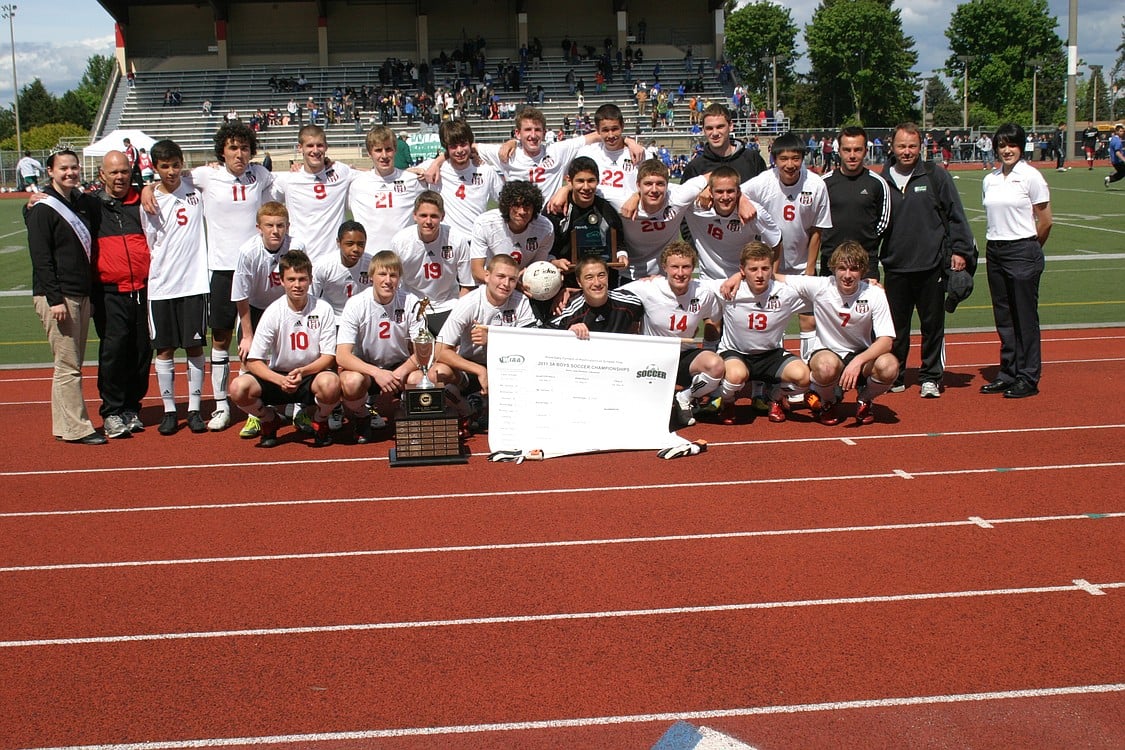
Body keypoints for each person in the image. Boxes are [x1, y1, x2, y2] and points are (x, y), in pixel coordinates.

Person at [183, 121, 276, 432]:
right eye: (233, 148)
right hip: (222, 269)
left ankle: (266, 401)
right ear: (221, 151)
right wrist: (148, 190)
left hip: (258, 267)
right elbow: (171, 179)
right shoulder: (206, 175)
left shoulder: (260, 175)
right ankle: (222, 405)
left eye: (245, 148)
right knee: (221, 337)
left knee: (261, 339)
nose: (240, 153)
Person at [879, 122, 975, 398]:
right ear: (892, 147)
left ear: (920, 147)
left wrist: (960, 251)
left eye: (912, 146)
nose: (906, 151)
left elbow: (956, 215)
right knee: (896, 327)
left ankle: (931, 376)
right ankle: (895, 374)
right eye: (901, 146)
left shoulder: (935, 176)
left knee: (932, 325)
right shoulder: (882, 180)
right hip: (896, 265)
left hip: (932, 265)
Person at [769, 241, 897, 426]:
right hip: (827, 353)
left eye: (853, 269)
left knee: (890, 366)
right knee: (826, 367)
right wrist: (737, 277)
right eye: (842, 268)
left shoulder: (874, 293)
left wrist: (857, 362)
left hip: (860, 355)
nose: (847, 275)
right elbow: (773, 276)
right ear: (833, 269)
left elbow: (886, 341)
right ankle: (828, 403)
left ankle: (865, 399)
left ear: (862, 271)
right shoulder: (821, 286)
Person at [25, 150, 105, 444]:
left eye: (74, 167)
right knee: (69, 365)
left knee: (67, 364)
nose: (70, 172)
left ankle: (64, 425)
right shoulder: (43, 208)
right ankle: (78, 428)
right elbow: (41, 258)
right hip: (58, 297)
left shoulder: (82, 203)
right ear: (50, 171)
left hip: (80, 293)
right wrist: (54, 298)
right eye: (63, 168)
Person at [336, 251, 452, 443]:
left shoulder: (411, 302)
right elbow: (342, 356)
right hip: (367, 367)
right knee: (350, 382)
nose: (388, 280)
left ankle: (408, 412)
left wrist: (399, 372)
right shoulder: (356, 304)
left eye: (393, 275)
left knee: (418, 378)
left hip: (399, 366)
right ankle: (363, 413)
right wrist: (376, 373)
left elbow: (424, 350)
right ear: (371, 276)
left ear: (399, 278)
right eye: (382, 274)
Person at [229, 249, 340, 448]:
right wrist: (280, 379)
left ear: (310, 279)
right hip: (279, 376)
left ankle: (320, 420)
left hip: (310, 374)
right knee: (238, 388)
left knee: (331, 383)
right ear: (281, 281)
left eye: (302, 279)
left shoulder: (323, 309)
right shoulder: (274, 311)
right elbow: (254, 360)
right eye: (291, 279)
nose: (297, 285)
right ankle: (268, 418)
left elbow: (329, 357)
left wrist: (303, 371)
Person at [140, 139, 211, 436]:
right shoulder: (151, 200)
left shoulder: (196, 188)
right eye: (165, 166)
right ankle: (170, 409)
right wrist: (146, 189)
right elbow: (151, 242)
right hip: (162, 286)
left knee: (194, 347)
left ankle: (194, 408)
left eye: (175, 164)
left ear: (183, 163)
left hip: (194, 283)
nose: (171, 171)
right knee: (165, 350)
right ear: (155, 168)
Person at [741, 132, 832, 361]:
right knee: (772, 320)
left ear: (803, 158)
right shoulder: (763, 181)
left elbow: (817, 230)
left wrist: (810, 271)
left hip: (802, 263)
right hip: (769, 266)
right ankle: (773, 374)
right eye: (784, 159)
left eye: (795, 158)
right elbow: (738, 193)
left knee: (808, 319)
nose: (790, 164)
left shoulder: (816, 184)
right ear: (774, 160)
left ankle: (807, 370)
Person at [980, 123, 1052, 399]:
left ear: (1021, 147)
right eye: (1002, 145)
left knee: (1025, 317)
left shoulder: (1030, 177)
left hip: (1022, 249)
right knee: (1004, 317)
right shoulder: (991, 179)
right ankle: (1008, 372)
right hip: (995, 250)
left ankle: (1028, 376)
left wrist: (1031, 249)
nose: (1006, 150)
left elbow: (1045, 221)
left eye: (1012, 144)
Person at [622, 241, 724, 427]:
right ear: (664, 268)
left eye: (686, 267)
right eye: (674, 267)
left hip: (684, 355)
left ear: (693, 268)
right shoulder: (647, 287)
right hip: (653, 358)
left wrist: (710, 348)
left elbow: (714, 318)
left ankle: (684, 396)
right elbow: (608, 297)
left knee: (716, 366)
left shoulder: (703, 292)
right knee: (650, 417)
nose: (680, 273)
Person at [436, 253, 537, 431]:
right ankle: (467, 410)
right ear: (487, 276)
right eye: (501, 276)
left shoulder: (521, 302)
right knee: (437, 373)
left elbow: (531, 345)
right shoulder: (469, 303)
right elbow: (440, 350)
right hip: (471, 367)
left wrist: (493, 340)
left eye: (512, 279)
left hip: (507, 367)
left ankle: (487, 405)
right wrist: (480, 370)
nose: (506, 284)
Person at [712, 241, 808, 424]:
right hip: (736, 353)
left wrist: (865, 285)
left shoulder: (785, 293)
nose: (759, 275)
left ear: (772, 269)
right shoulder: (728, 289)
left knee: (803, 378)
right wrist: (652, 281)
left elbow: (823, 290)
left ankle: (776, 397)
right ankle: (727, 401)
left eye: (765, 268)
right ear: (742, 270)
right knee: (735, 376)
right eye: (753, 269)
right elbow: (691, 285)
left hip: (770, 355)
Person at [91, 151, 152, 439]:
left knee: (141, 352)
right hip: (110, 293)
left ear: (132, 173)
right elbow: (55, 209)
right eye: (113, 172)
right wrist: (34, 204)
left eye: (124, 172)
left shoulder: (142, 201)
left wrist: (149, 187)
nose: (119, 177)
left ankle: (131, 407)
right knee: (114, 353)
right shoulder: (90, 206)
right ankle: (112, 411)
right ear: (102, 175)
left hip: (142, 292)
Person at [390, 192, 474, 335]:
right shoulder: (400, 241)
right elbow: (393, 282)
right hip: (411, 305)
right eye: (423, 215)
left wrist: (460, 317)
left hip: (447, 304)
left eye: (434, 216)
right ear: (414, 215)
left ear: (442, 216)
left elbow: (467, 285)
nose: (428, 221)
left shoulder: (457, 240)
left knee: (450, 350)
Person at [272, 125, 353, 263]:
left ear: (326, 147)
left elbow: (369, 175)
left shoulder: (341, 172)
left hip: (335, 261)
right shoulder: (288, 180)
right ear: (300, 148)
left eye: (319, 145)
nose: (315, 151)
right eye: (310, 146)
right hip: (301, 260)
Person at [685, 165, 780, 281]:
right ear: (710, 191)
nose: (725, 197)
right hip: (709, 281)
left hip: (744, 281)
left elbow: (776, 242)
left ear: (739, 191)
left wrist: (772, 279)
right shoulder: (695, 208)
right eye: (719, 191)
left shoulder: (753, 212)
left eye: (730, 191)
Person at [821, 126, 892, 280]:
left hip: (866, 263)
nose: (852, 155)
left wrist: (865, 243)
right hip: (831, 262)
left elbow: (883, 223)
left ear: (866, 151)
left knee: (865, 304)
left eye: (857, 150)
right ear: (839, 151)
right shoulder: (823, 183)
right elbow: (814, 221)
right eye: (847, 150)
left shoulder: (877, 183)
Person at [546, 157, 628, 286]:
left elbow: (619, 242)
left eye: (591, 181)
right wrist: (553, 261)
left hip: (600, 282)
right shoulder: (557, 209)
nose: (586, 187)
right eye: (580, 181)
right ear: (569, 181)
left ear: (598, 181)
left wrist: (621, 255)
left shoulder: (606, 209)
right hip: (566, 281)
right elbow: (545, 248)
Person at [418, 120, 504, 236]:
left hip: (476, 242)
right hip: (446, 243)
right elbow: (404, 174)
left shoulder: (485, 171)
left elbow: (505, 200)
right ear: (446, 148)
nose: (459, 150)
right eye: (453, 146)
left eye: (463, 144)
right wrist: (432, 165)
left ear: (470, 144)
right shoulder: (434, 168)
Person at [349, 126, 424, 246]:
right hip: (370, 259)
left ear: (395, 150)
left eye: (388, 149)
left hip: (403, 258)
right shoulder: (356, 184)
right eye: (378, 150)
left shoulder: (412, 180)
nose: (384, 155)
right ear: (369, 153)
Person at [469, 180, 556, 283]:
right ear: (507, 206)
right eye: (516, 205)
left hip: (525, 282)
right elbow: (477, 271)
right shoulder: (485, 224)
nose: (522, 211)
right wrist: (509, 284)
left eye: (527, 206)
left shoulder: (545, 228)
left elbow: (537, 266)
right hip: (491, 283)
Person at [551, 255, 645, 335]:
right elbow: (545, 335)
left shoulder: (629, 302)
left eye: (601, 275)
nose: (597, 283)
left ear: (608, 276)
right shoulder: (569, 312)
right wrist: (568, 333)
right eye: (589, 277)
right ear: (579, 282)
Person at [679, 103, 768, 184]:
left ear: (731, 126)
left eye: (720, 127)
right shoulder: (695, 168)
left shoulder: (752, 159)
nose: (715, 133)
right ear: (703, 130)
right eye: (709, 128)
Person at [312, 221, 372, 315]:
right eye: (350, 244)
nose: (355, 249)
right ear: (338, 242)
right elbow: (311, 297)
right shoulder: (323, 266)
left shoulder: (372, 265)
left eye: (361, 244)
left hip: (363, 316)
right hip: (332, 318)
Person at [1106, 123, 1125, 188]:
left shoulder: (1113, 139)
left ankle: (1109, 178)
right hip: (1118, 161)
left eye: (1123, 131)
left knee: (1121, 173)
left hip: (1115, 161)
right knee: (1121, 174)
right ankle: (1109, 178)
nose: (1122, 132)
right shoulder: (1117, 141)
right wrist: (1124, 160)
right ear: (1116, 132)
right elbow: (1117, 153)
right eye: (1120, 131)